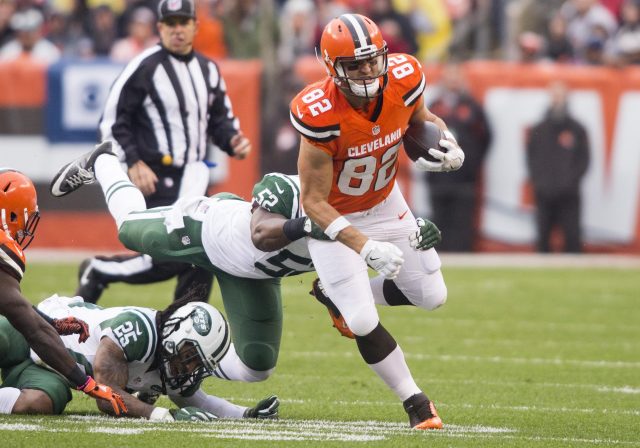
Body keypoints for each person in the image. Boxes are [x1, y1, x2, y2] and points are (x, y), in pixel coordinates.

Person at [49, 141, 442, 396]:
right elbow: (260, 233)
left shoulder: (371, 207)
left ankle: (169, 375)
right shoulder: (292, 188)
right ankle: (101, 161)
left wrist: (413, 238)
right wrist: (309, 223)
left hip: (252, 274)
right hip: (208, 231)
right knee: (128, 229)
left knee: (256, 366)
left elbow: (402, 276)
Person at [291, 14, 465, 429]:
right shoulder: (318, 111)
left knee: (432, 296)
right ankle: (416, 402)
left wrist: (449, 142)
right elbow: (312, 201)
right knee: (363, 320)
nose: (367, 71)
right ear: (333, 68)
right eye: (354, 64)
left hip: (386, 201)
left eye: (372, 60)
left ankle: (336, 295)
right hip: (334, 215)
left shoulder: (404, 79)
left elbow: (423, 121)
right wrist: (365, 247)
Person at [76, 0, 252, 305]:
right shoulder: (145, 67)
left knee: (202, 257)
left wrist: (233, 141)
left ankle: (181, 333)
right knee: (169, 259)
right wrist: (132, 161)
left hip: (196, 176)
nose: (178, 29)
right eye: (171, 23)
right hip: (160, 179)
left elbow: (220, 121)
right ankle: (100, 269)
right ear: (160, 28)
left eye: (183, 22)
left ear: (196, 26)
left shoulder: (208, 70)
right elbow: (112, 122)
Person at [0, 293, 279, 420]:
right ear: (174, 333)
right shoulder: (138, 329)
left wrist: (247, 414)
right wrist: (162, 415)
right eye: (190, 355)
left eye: (198, 363)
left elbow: (200, 401)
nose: (190, 367)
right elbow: (107, 398)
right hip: (32, 331)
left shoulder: (175, 364)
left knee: (38, 403)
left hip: (49, 371)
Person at [0, 168, 126, 416]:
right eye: (26, 216)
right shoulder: (5, 249)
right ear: (12, 213)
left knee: (40, 401)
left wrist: (53, 323)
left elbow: (14, 306)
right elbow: (33, 329)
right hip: (26, 343)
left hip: (34, 364)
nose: (27, 225)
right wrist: (87, 383)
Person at [425, 63, 491, 252]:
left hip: (464, 178)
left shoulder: (472, 106)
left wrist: (471, 163)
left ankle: (463, 258)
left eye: (456, 76)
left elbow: (485, 137)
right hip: (438, 177)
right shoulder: (435, 106)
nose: (453, 80)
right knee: (438, 222)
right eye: (449, 76)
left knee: (462, 224)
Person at [526, 81, 590, 253]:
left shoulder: (577, 129)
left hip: (568, 194)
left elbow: (584, 160)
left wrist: (569, 182)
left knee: (572, 237)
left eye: (560, 96)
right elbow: (531, 159)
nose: (557, 100)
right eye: (554, 96)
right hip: (544, 193)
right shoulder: (539, 129)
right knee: (543, 238)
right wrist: (540, 182)